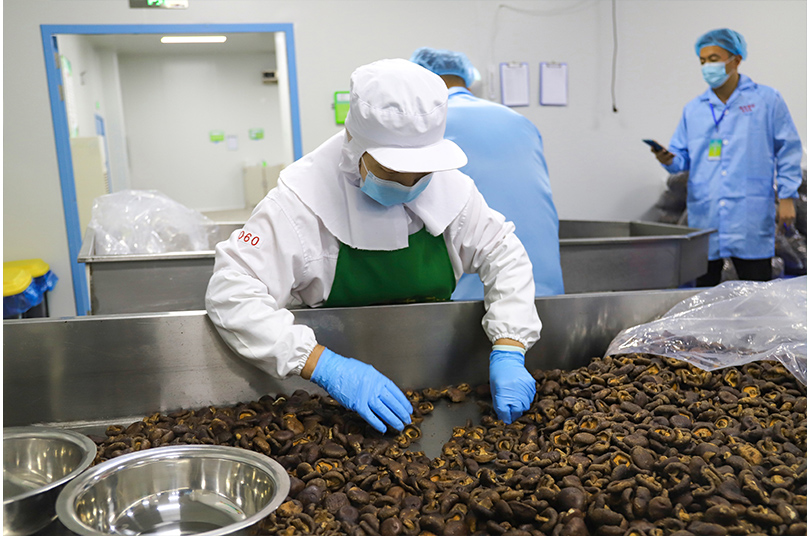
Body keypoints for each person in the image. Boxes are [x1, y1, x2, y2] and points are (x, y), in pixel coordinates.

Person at [206, 59, 542, 434]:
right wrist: (323, 365)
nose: (409, 185)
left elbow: (504, 254)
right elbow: (232, 291)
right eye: (393, 172)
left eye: (420, 173)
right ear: (355, 145)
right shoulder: (300, 202)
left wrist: (510, 347)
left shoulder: (453, 190)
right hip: (325, 402)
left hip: (430, 378)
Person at [648, 28, 802, 286]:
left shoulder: (766, 100)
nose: (707, 66)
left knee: (756, 291)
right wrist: (668, 159)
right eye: (703, 61)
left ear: (736, 60)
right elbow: (681, 160)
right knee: (704, 294)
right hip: (706, 214)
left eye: (714, 59)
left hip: (749, 214)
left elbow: (788, 148)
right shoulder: (694, 109)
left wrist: (787, 197)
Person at [410, 47, 565, 299]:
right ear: (467, 80)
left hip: (470, 297)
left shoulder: (429, 122)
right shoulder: (520, 121)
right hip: (545, 290)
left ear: (420, 82)